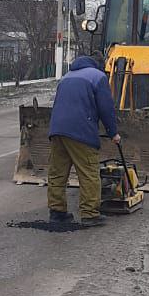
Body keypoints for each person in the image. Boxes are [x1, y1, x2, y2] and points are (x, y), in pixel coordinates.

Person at [48, 53, 121, 229]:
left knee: (58, 173)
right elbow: (106, 107)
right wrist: (113, 133)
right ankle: (90, 214)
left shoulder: (66, 77)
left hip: (57, 129)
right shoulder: (98, 77)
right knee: (89, 173)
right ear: (99, 65)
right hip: (80, 130)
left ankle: (57, 212)